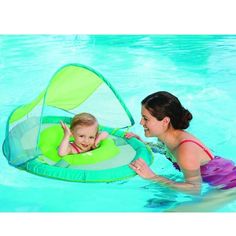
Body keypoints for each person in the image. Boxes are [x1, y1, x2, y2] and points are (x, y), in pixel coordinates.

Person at [126, 91, 236, 195]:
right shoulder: (168, 137)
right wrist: (144, 144)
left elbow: (194, 190)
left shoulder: (185, 150)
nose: (141, 122)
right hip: (216, 177)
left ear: (165, 121)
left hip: (229, 185)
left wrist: (153, 177)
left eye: (145, 118)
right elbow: (164, 150)